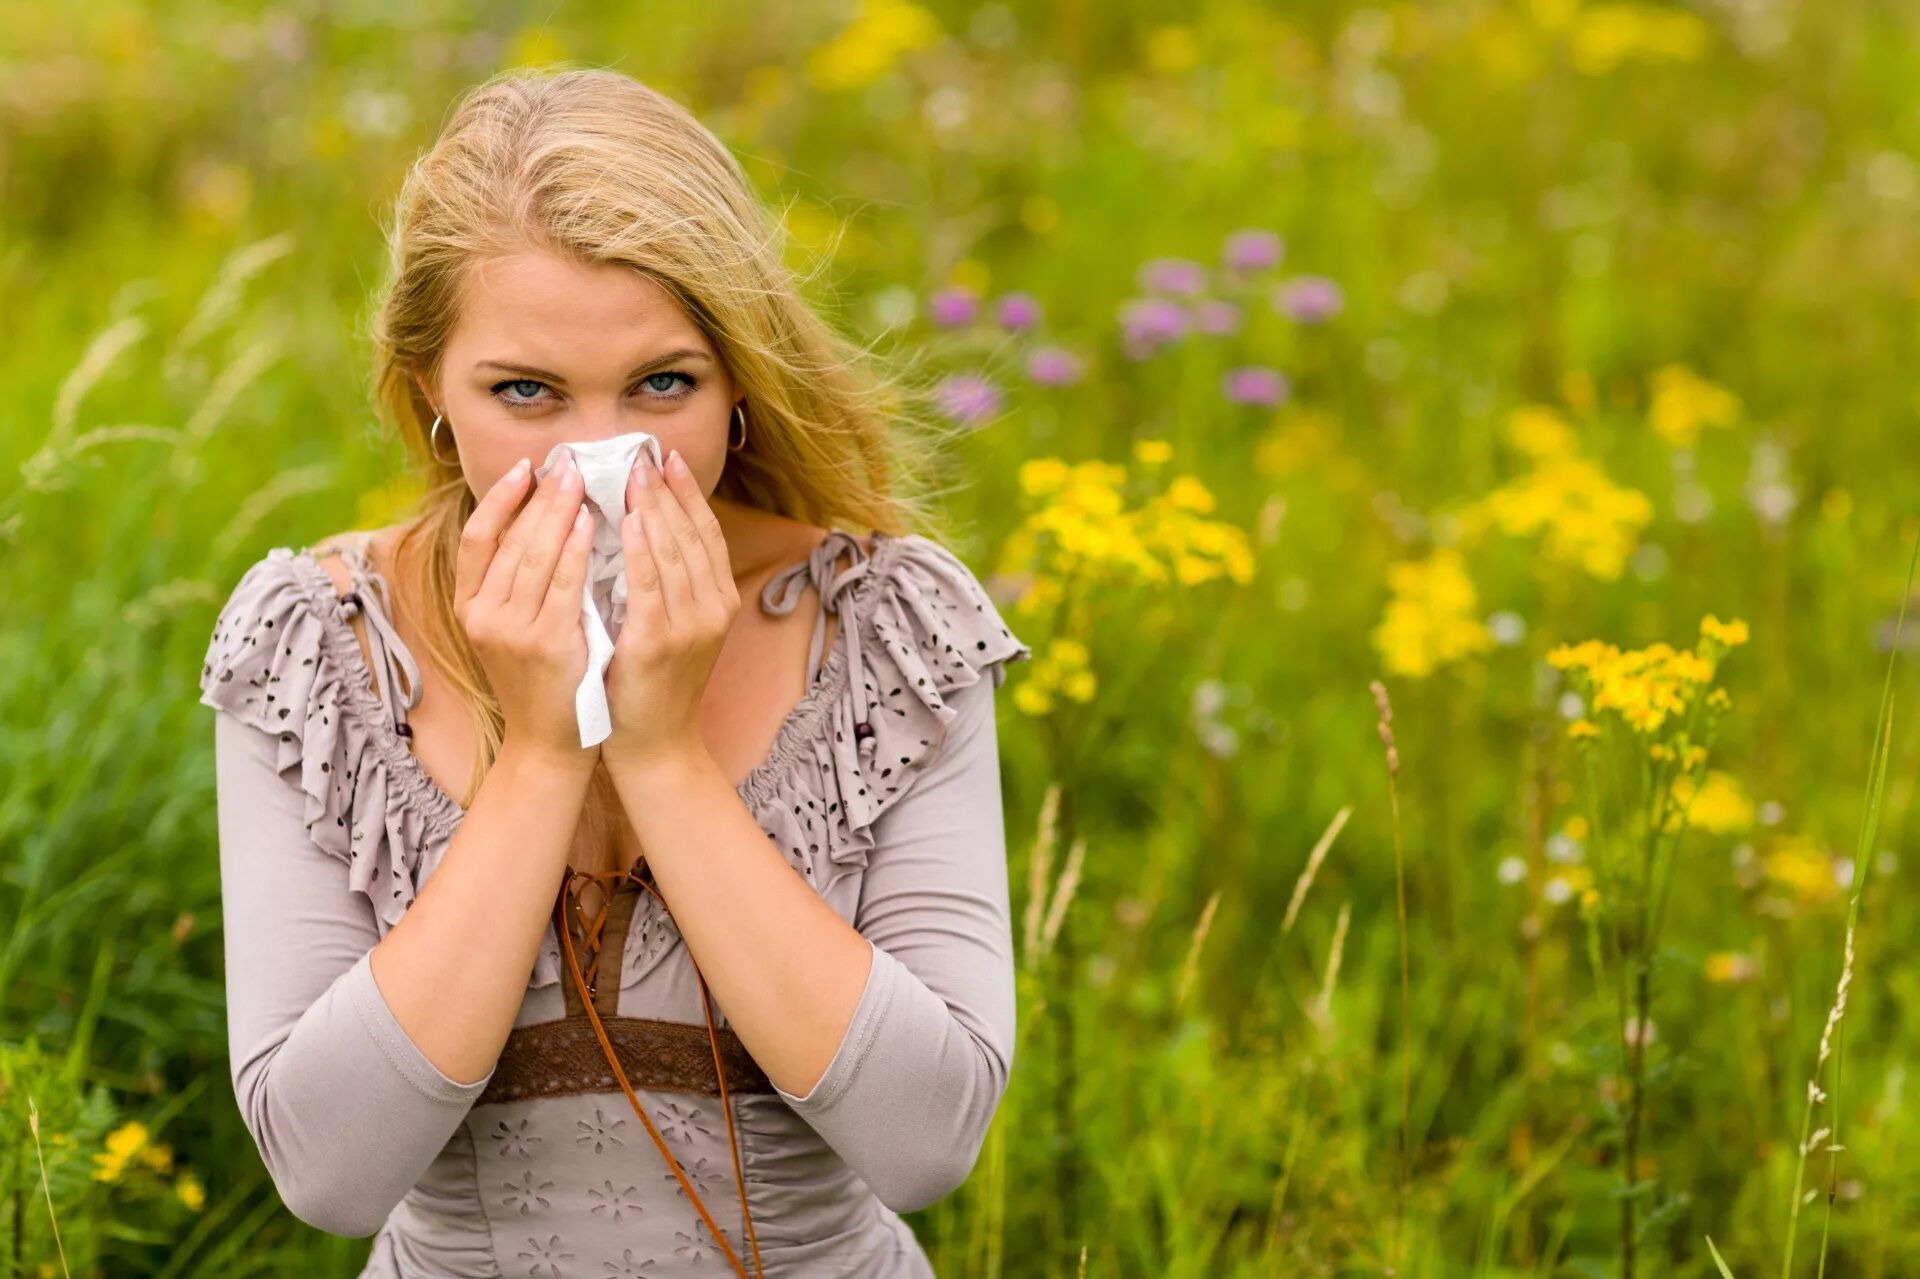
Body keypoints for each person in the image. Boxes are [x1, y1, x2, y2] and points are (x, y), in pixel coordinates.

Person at [197, 65, 1031, 1278]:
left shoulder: (887, 625)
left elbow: (928, 1140)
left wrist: (660, 756)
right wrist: (540, 758)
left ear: (741, 378)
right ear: (431, 387)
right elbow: (328, 1174)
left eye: (662, 384)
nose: (602, 458)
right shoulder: (320, 643)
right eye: (526, 392)